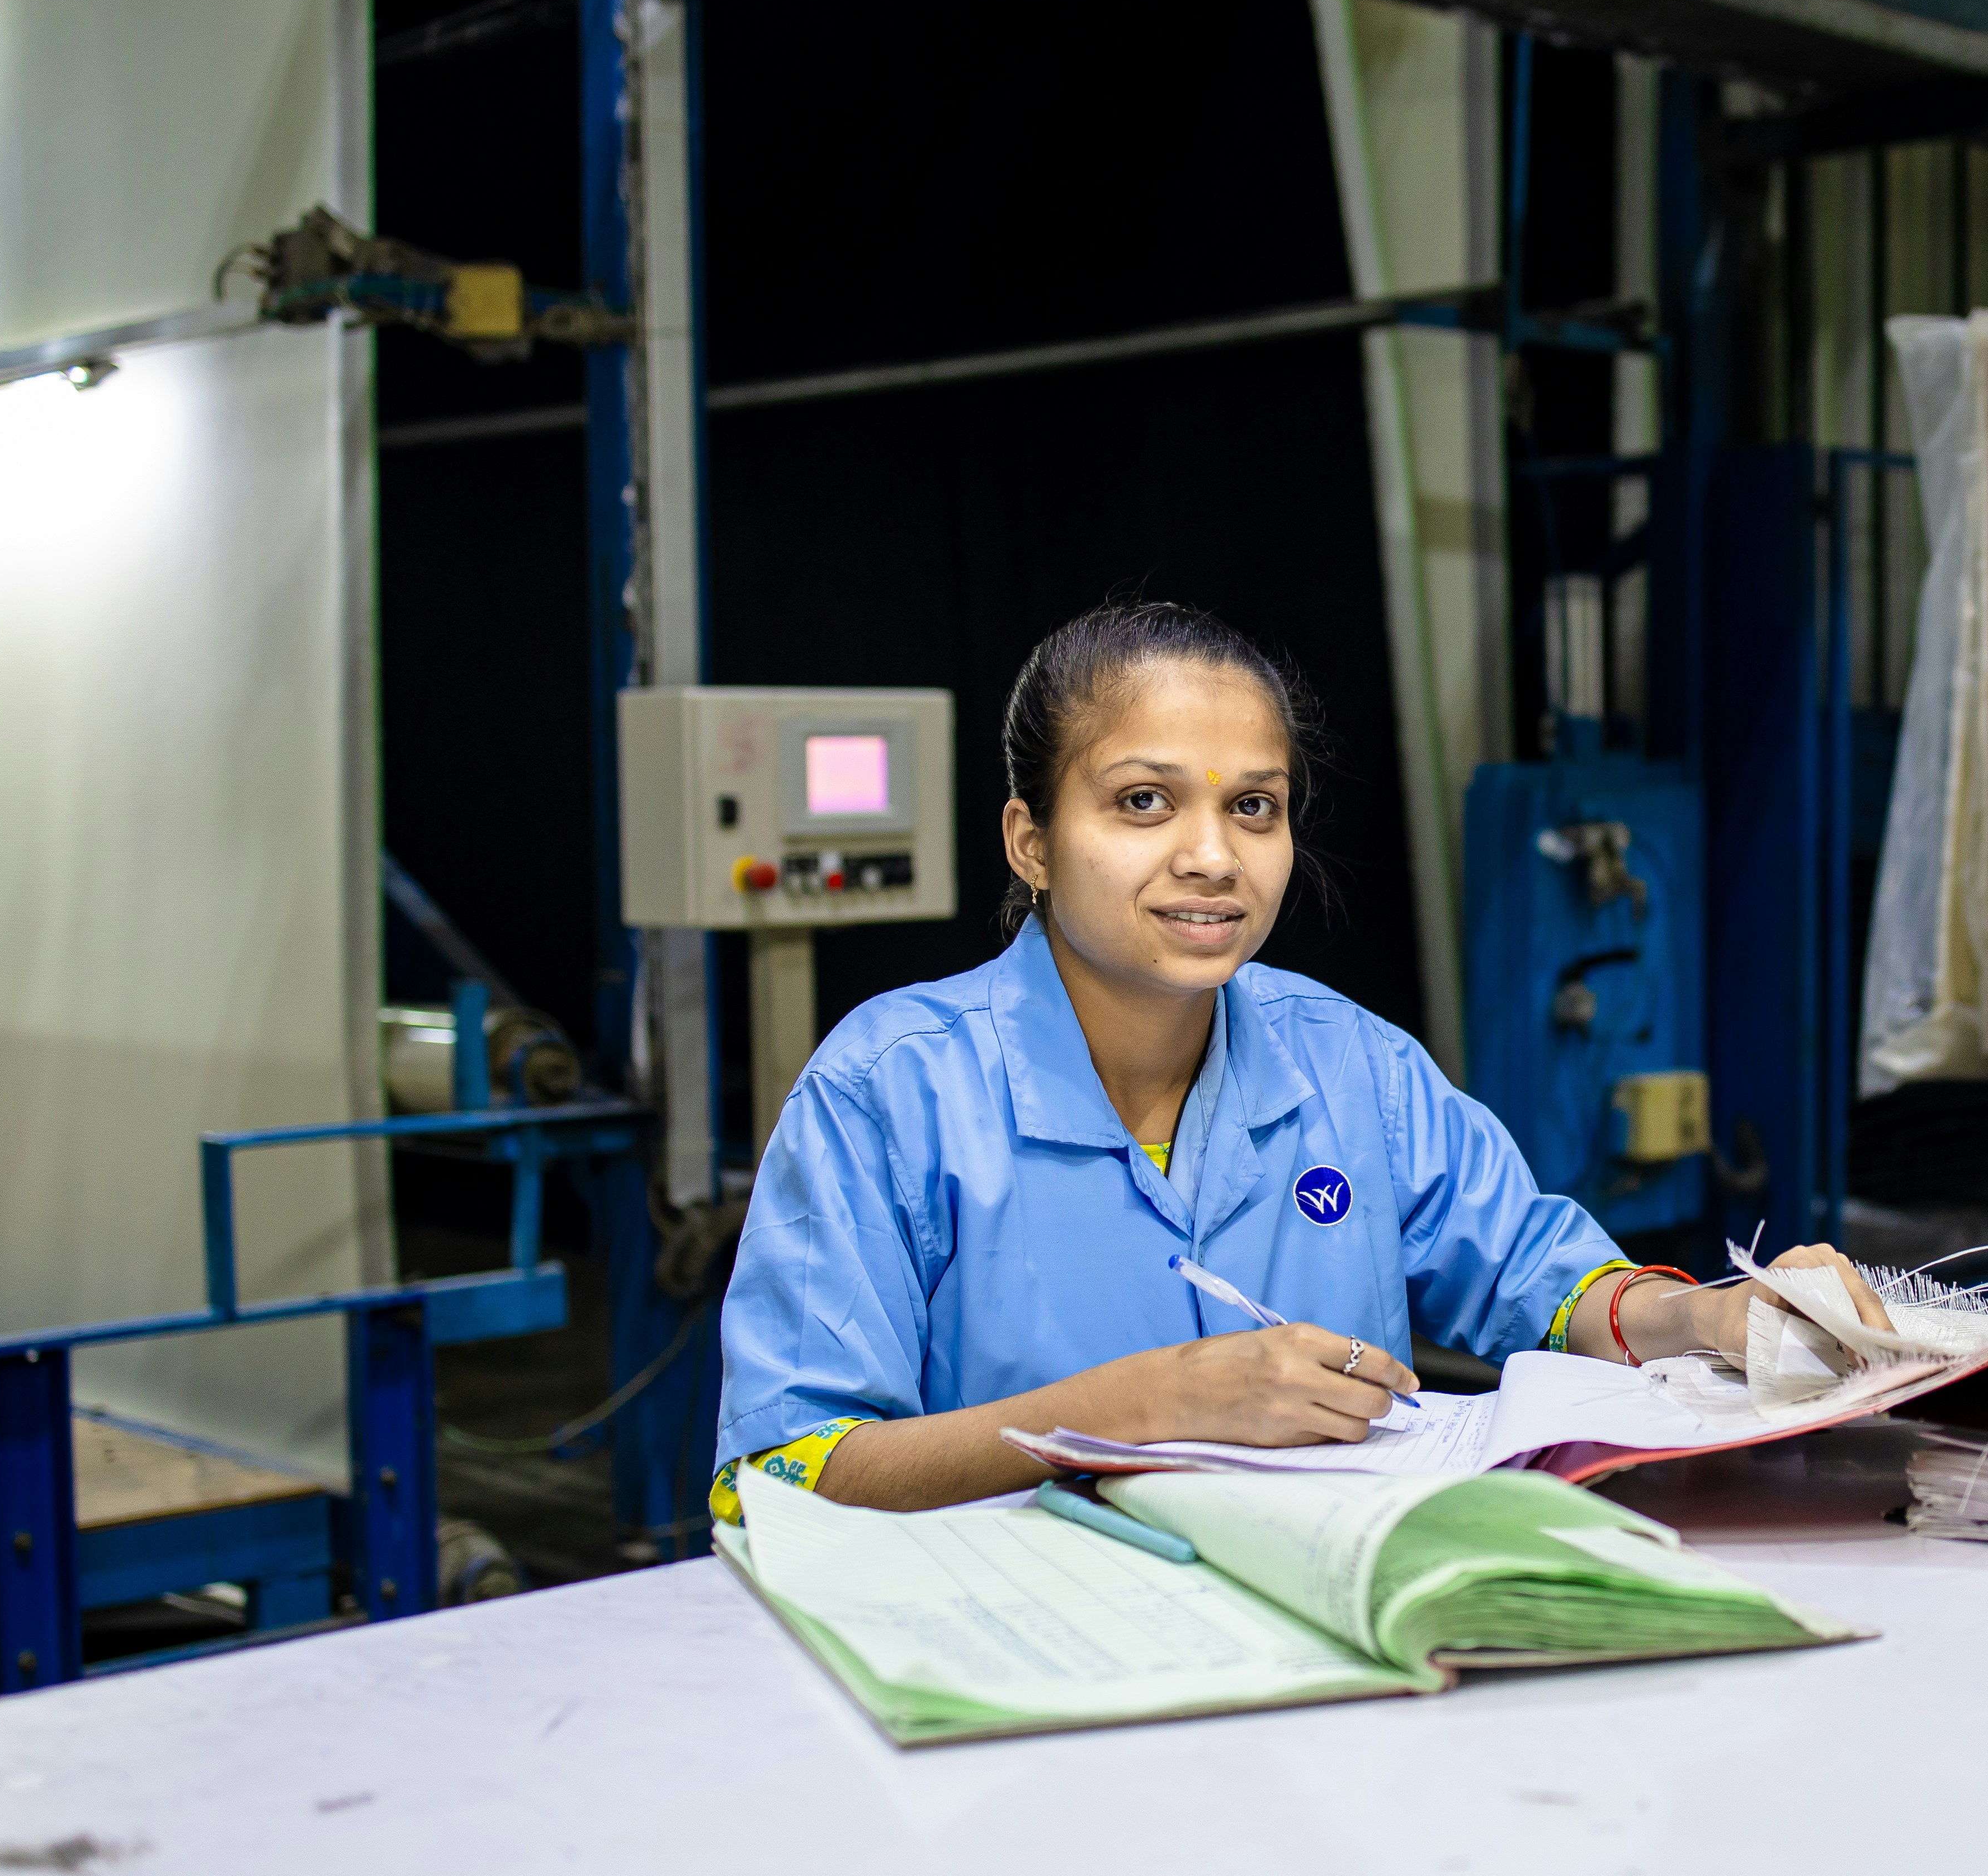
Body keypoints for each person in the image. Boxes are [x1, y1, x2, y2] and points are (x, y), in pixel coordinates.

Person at [711, 600, 1882, 1515]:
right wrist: (1141, 1405)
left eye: (1256, 807)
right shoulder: (889, 1091)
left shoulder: (1352, 1066)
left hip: (1324, 1638)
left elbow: (1546, 1278)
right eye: (1141, 801)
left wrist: (1713, 1322)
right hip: (1013, 1662)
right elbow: (784, 1472)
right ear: (1031, 839)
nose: (1213, 856)